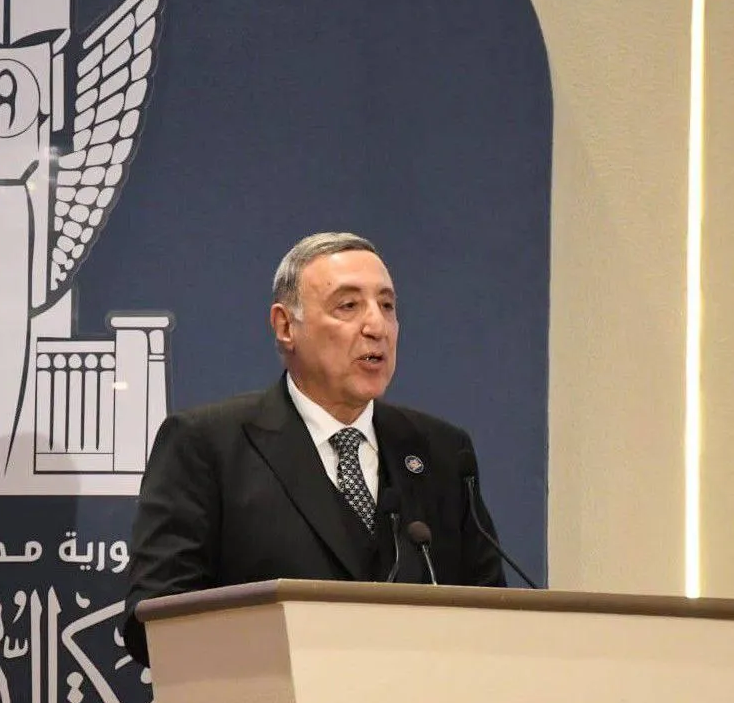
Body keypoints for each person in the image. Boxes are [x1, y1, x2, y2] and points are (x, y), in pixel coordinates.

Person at [123, 232, 506, 666]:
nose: (376, 326)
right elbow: (154, 622)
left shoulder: (440, 452)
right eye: (348, 306)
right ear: (286, 326)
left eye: (387, 306)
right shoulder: (207, 445)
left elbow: (493, 618)